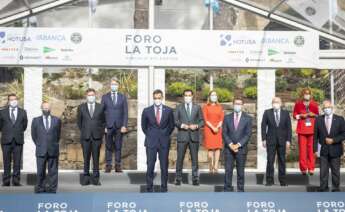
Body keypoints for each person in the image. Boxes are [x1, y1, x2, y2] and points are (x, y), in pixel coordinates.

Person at [141, 89, 175, 192]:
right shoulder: (147, 110)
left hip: (164, 141)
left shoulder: (168, 110)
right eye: (155, 98)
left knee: (164, 165)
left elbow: (171, 126)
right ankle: (149, 186)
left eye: (159, 98)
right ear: (153, 98)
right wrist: (151, 135)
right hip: (151, 142)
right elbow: (144, 126)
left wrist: (164, 135)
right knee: (150, 164)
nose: (157, 100)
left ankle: (164, 187)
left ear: (162, 98)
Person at [314, 100, 345, 192]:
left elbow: (343, 134)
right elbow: (315, 136)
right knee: (323, 170)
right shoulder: (318, 119)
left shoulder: (340, 119)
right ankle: (323, 186)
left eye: (328, 107)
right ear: (323, 109)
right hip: (323, 149)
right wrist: (315, 149)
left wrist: (333, 140)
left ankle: (335, 187)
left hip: (335, 148)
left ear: (332, 108)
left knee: (335, 170)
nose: (327, 109)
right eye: (325, 108)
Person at [174, 89, 204, 186]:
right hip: (182, 136)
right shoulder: (179, 107)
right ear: (183, 96)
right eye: (186, 95)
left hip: (193, 136)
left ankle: (195, 178)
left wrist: (196, 126)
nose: (187, 97)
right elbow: (175, 120)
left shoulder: (197, 107)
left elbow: (202, 121)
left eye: (189, 95)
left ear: (192, 96)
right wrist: (182, 125)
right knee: (180, 158)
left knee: (195, 159)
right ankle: (178, 178)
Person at [222, 98, 252, 192]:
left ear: (242, 105)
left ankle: (240, 189)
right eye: (236, 103)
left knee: (240, 171)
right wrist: (231, 144)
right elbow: (224, 133)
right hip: (228, 148)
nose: (237, 105)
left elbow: (248, 134)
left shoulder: (247, 118)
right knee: (228, 170)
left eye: (239, 104)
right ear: (233, 104)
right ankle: (227, 188)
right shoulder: (227, 117)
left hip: (241, 148)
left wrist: (238, 145)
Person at [31, 102, 62, 193]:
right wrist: (39, 144)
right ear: (41, 108)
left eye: (47, 108)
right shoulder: (36, 120)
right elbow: (34, 135)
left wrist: (54, 143)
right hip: (41, 149)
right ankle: (40, 187)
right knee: (40, 170)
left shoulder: (57, 120)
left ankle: (52, 188)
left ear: (50, 109)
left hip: (53, 149)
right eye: (44, 108)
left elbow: (58, 135)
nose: (46, 110)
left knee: (53, 171)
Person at [77, 88, 105, 186]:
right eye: (89, 95)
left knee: (96, 159)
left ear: (95, 95)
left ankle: (96, 179)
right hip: (86, 137)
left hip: (97, 137)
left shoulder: (101, 107)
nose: (91, 97)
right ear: (86, 96)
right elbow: (79, 123)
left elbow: (103, 122)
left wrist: (100, 133)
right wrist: (85, 131)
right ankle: (86, 178)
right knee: (86, 159)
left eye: (92, 95)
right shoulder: (81, 107)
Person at [261, 97, 292, 186]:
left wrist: (288, 140)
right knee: (270, 160)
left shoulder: (285, 113)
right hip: (270, 140)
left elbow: (289, 128)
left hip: (282, 141)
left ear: (281, 103)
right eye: (274, 102)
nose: (275, 103)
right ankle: (269, 180)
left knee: (282, 160)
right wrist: (263, 139)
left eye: (277, 102)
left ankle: (283, 181)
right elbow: (263, 126)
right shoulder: (267, 112)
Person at [101, 77, 128, 173]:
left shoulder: (122, 97)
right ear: (110, 85)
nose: (114, 86)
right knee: (108, 146)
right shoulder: (105, 97)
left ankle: (118, 165)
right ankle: (108, 165)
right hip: (108, 125)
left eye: (115, 84)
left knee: (118, 146)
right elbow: (102, 112)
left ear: (118, 86)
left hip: (119, 126)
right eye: (112, 84)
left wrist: (124, 125)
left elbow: (125, 112)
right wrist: (103, 126)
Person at [0, 94, 28, 186]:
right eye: (11, 100)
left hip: (18, 140)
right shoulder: (2, 112)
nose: (13, 101)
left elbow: (24, 126)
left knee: (17, 162)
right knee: (6, 161)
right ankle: (6, 181)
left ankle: (16, 181)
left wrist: (16, 132)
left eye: (15, 99)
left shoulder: (23, 112)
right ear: (8, 101)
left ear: (17, 100)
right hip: (6, 140)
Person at [293, 88, 319, 175]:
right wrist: (300, 116)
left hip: (312, 130)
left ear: (310, 94)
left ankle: (311, 168)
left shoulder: (314, 104)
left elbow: (318, 116)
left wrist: (313, 115)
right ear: (302, 94)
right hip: (302, 130)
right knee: (302, 150)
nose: (307, 95)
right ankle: (303, 168)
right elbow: (294, 115)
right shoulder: (298, 104)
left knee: (311, 150)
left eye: (308, 93)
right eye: (305, 93)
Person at [202, 90, 224, 174]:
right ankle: (210, 166)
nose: (214, 96)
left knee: (218, 148)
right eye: (212, 95)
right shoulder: (206, 107)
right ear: (209, 97)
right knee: (210, 148)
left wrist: (217, 127)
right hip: (209, 128)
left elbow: (221, 118)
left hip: (218, 129)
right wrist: (212, 127)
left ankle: (216, 166)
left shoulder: (220, 107)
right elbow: (205, 119)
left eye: (215, 95)